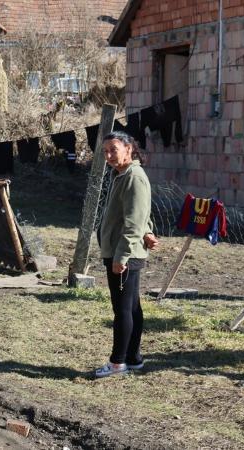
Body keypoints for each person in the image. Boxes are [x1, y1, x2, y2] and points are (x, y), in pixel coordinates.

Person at [95, 130, 159, 378]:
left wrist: (121, 257)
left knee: (122, 310)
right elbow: (141, 214)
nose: (109, 155)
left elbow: (133, 221)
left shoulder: (134, 177)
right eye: (105, 152)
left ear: (129, 148)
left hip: (125, 254)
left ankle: (117, 363)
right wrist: (149, 232)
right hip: (125, 250)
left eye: (113, 150)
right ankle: (133, 358)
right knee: (131, 307)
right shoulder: (121, 175)